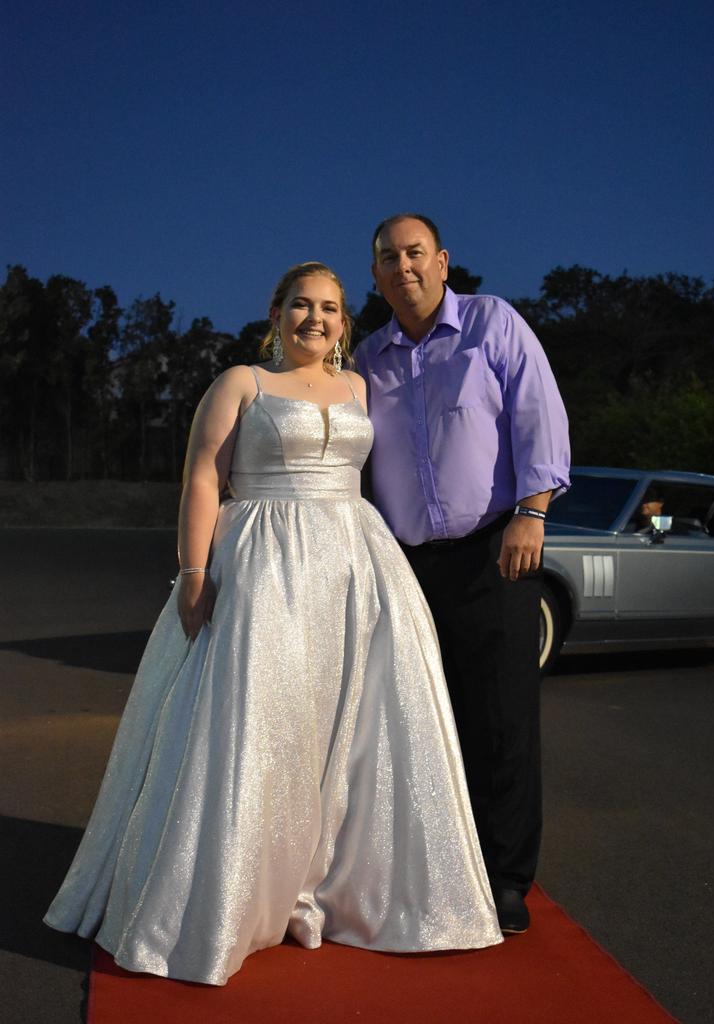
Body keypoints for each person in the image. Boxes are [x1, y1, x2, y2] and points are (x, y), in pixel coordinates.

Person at [44, 262, 502, 985]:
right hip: (264, 568)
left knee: (351, 730)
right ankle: (235, 893)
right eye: (301, 305)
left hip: (356, 569)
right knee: (260, 726)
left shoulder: (360, 388)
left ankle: (337, 887)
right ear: (276, 312)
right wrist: (194, 572)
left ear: (345, 323)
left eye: (330, 308)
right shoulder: (240, 383)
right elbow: (203, 475)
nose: (315, 318)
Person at [354, 215, 571, 935]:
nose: (403, 267)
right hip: (406, 566)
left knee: (501, 716)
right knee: (418, 720)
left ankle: (507, 879)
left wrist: (532, 512)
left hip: (494, 550)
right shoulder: (368, 361)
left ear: (443, 262)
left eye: (415, 253)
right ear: (377, 276)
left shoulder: (493, 324)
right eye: (389, 258)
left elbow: (540, 415)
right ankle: (436, 863)